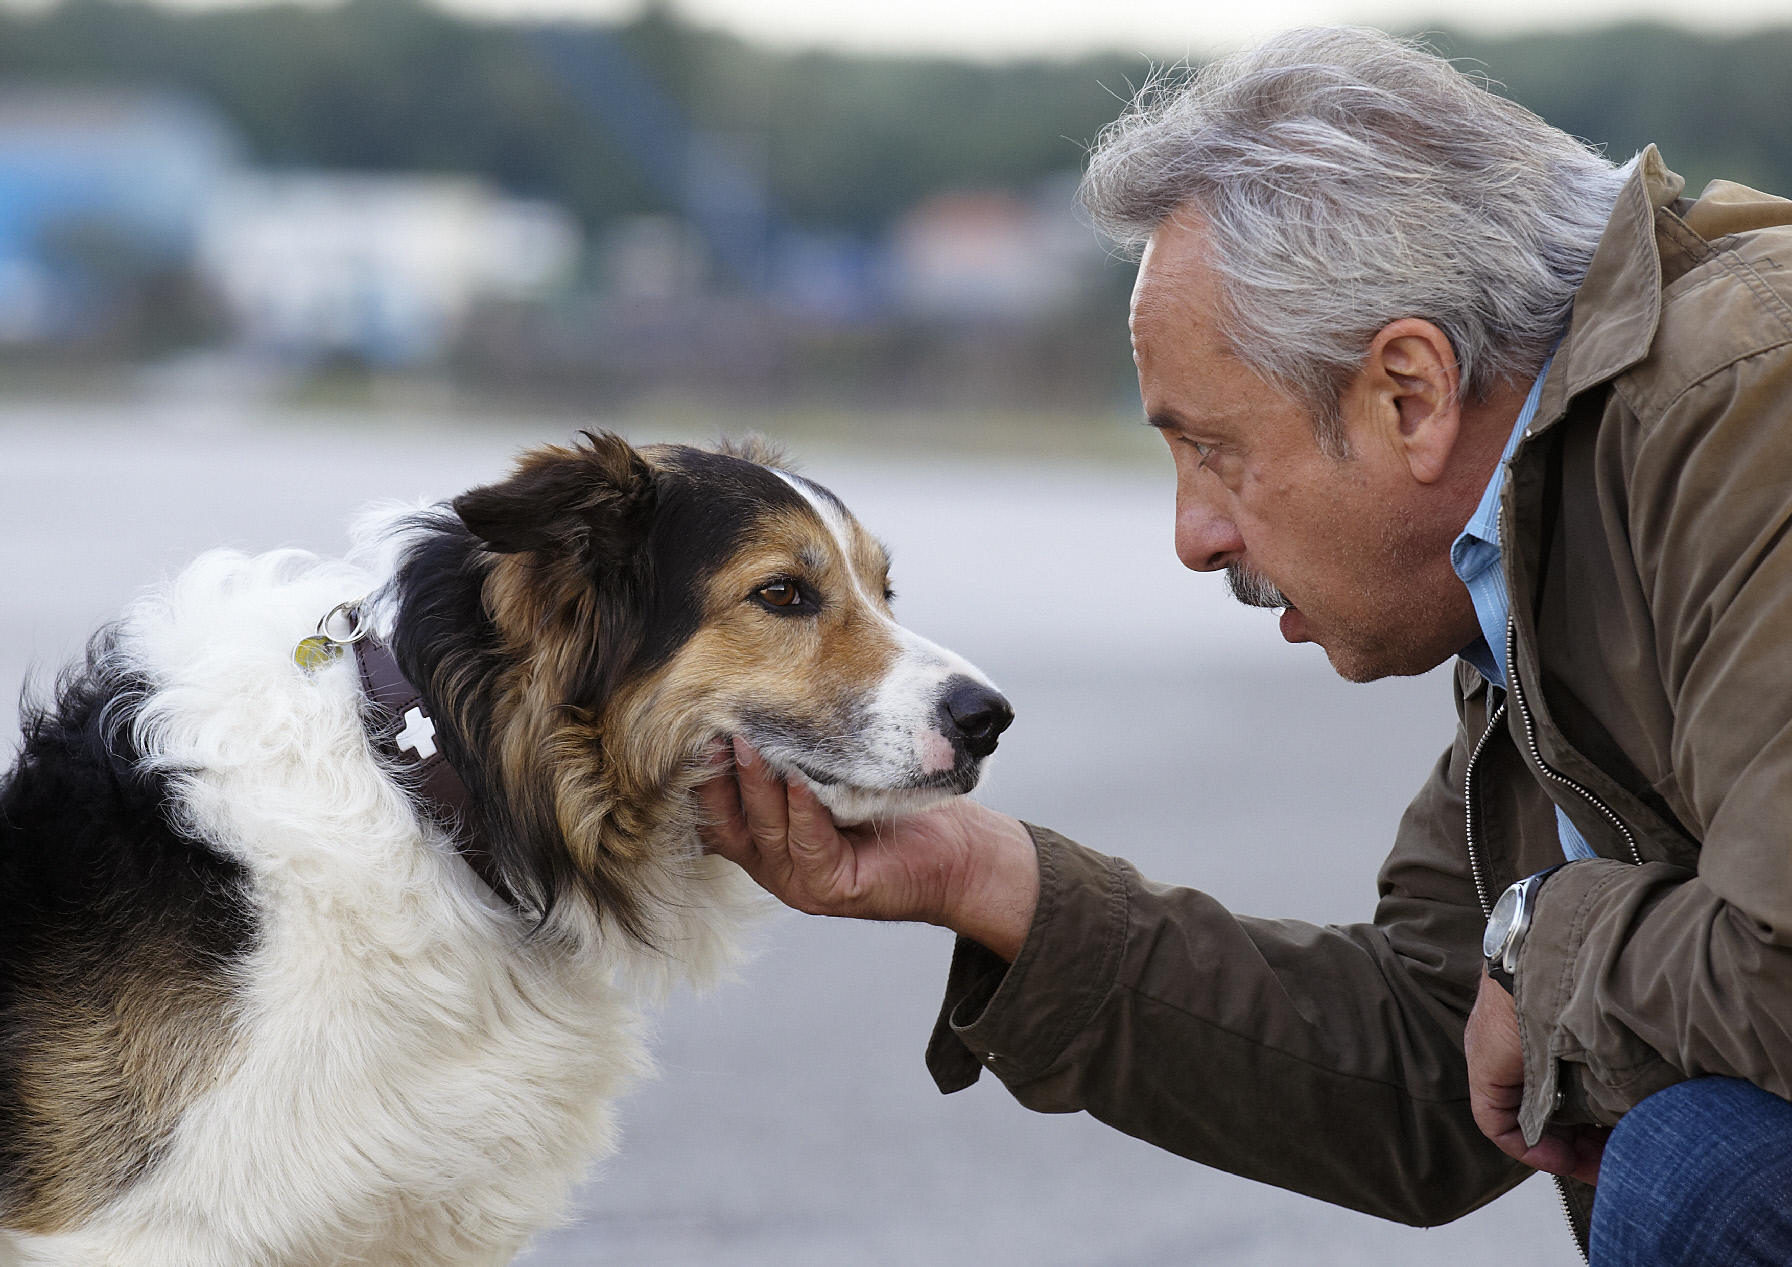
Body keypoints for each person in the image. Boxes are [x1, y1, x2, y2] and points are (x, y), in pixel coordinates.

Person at [698, 26, 1792, 1264]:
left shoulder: (1754, 407)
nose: (1190, 536)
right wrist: (981, 880)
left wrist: (1543, 935)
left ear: (1409, 394)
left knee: (1697, 1167)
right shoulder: (1534, 528)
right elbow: (1431, 1062)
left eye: (1210, 449)